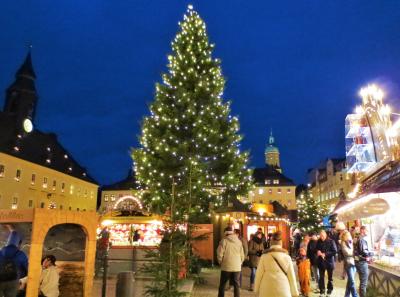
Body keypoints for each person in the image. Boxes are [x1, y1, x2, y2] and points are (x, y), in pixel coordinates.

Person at [254, 231, 299, 297]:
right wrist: (294, 292)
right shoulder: (287, 257)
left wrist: (256, 289)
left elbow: (259, 274)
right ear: (280, 244)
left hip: (266, 287)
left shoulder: (264, 256)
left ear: (271, 244)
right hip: (283, 287)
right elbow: (291, 275)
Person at [217, 226, 244, 297]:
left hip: (226, 266)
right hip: (237, 267)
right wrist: (239, 263)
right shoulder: (239, 241)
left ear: (225, 233)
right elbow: (242, 255)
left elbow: (220, 254)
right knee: (236, 285)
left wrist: (220, 262)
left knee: (222, 284)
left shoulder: (224, 241)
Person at [0, 228, 28, 297]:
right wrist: (20, 276)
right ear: (18, 244)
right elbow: (27, 269)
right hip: (13, 281)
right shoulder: (21, 254)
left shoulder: (0, 252)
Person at [316, 230, 337, 297]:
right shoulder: (318, 241)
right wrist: (317, 251)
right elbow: (316, 249)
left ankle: (329, 290)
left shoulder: (331, 241)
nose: (321, 237)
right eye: (320, 236)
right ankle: (322, 291)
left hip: (329, 262)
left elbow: (334, 251)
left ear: (325, 235)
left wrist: (325, 254)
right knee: (321, 277)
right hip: (321, 262)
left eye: (323, 236)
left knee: (330, 278)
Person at [354, 226, 373, 297]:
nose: (367, 232)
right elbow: (364, 251)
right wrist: (372, 253)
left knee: (362, 281)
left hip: (357, 261)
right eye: (366, 230)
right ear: (363, 230)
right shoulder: (361, 239)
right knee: (363, 283)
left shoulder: (357, 238)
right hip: (362, 262)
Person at [340, 230, 358, 297]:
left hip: (354, 262)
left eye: (349, 235)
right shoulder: (343, 243)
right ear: (345, 236)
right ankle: (355, 295)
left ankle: (346, 295)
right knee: (352, 281)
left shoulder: (352, 242)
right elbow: (346, 253)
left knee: (350, 281)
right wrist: (355, 253)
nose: (349, 236)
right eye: (348, 235)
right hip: (348, 263)